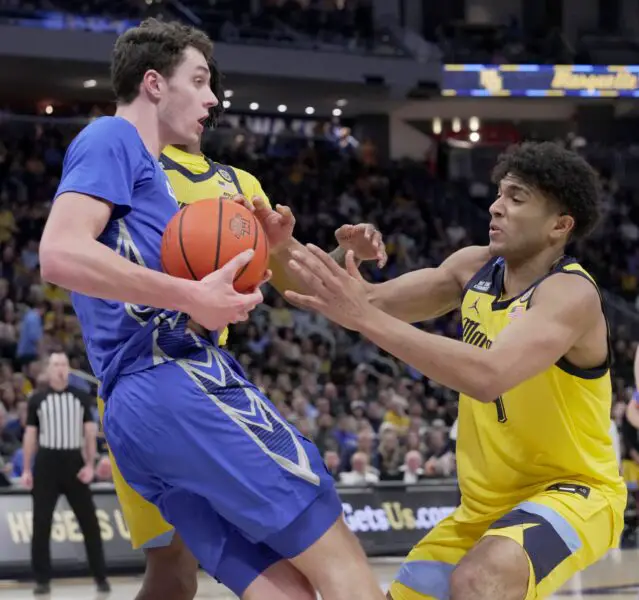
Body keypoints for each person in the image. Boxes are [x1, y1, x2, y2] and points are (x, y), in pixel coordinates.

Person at [39, 18, 387, 600]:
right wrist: (193, 297)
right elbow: (58, 252)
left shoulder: (165, 177)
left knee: (284, 590)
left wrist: (271, 255)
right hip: (177, 380)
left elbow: (276, 280)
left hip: (140, 410)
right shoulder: (112, 139)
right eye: (199, 81)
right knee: (339, 558)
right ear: (153, 83)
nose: (213, 97)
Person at [284, 141, 627, 600]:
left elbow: (488, 376)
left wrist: (365, 316)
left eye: (517, 198)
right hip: (483, 508)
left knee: (480, 580)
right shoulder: (472, 267)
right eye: (500, 193)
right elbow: (352, 304)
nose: (496, 206)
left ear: (559, 226)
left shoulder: (569, 294)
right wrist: (339, 259)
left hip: (574, 492)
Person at [21, 352, 110, 595]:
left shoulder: (81, 397)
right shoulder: (37, 399)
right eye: (56, 364)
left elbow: (90, 434)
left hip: (74, 462)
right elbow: (30, 436)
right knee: (41, 524)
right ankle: (41, 579)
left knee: (90, 523)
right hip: (47, 462)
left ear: (68, 369)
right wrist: (27, 469)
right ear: (49, 370)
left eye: (63, 364)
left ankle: (100, 576)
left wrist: (90, 465)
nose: (60, 368)